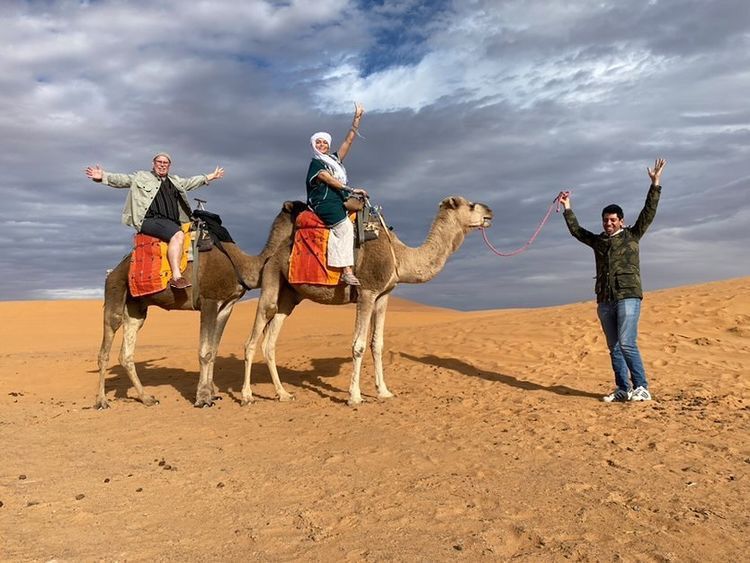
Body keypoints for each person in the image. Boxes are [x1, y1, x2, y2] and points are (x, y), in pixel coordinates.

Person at [559, 158, 666, 402]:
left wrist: (655, 184)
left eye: (613, 220)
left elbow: (649, 212)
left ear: (621, 221)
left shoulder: (632, 235)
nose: (608, 223)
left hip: (628, 296)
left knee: (627, 343)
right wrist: (567, 207)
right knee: (614, 347)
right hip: (605, 299)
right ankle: (623, 389)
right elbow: (578, 232)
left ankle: (642, 387)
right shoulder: (598, 241)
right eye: (605, 220)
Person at [86, 153, 224, 289]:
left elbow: (191, 182)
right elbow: (122, 179)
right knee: (178, 235)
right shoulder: (141, 177)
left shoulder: (175, 181)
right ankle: (176, 277)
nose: (162, 165)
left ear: (169, 166)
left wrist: (211, 176)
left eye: (165, 163)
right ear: (153, 163)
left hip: (171, 222)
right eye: (159, 162)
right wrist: (102, 176)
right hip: (149, 220)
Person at [306, 102, 368, 286]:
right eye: (319, 142)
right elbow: (327, 179)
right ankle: (346, 271)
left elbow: (348, 141)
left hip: (339, 200)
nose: (322, 145)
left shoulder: (333, 159)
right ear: (313, 144)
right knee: (344, 228)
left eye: (325, 142)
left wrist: (356, 120)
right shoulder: (316, 163)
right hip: (325, 203)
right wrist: (350, 189)